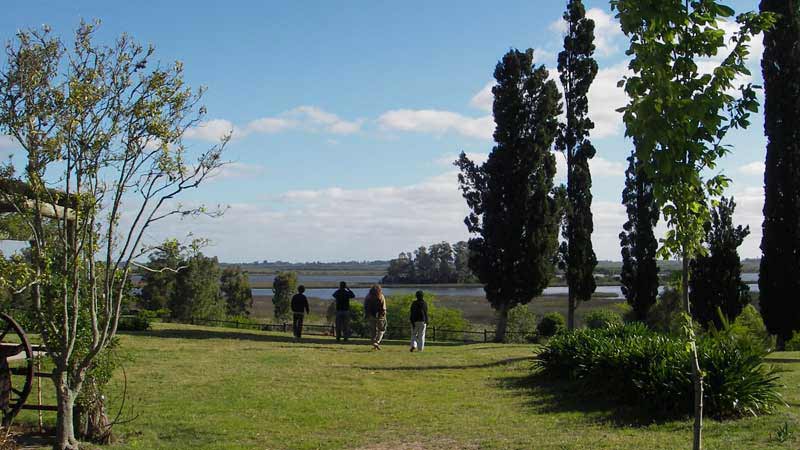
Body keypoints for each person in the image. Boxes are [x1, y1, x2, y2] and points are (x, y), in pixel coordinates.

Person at [363, 285, 387, 350]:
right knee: (382, 330)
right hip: (380, 316)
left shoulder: (368, 297)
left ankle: (374, 342)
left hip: (371, 315)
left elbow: (365, 306)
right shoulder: (381, 296)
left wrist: (366, 314)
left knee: (373, 331)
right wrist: (384, 314)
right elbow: (383, 307)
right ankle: (377, 341)